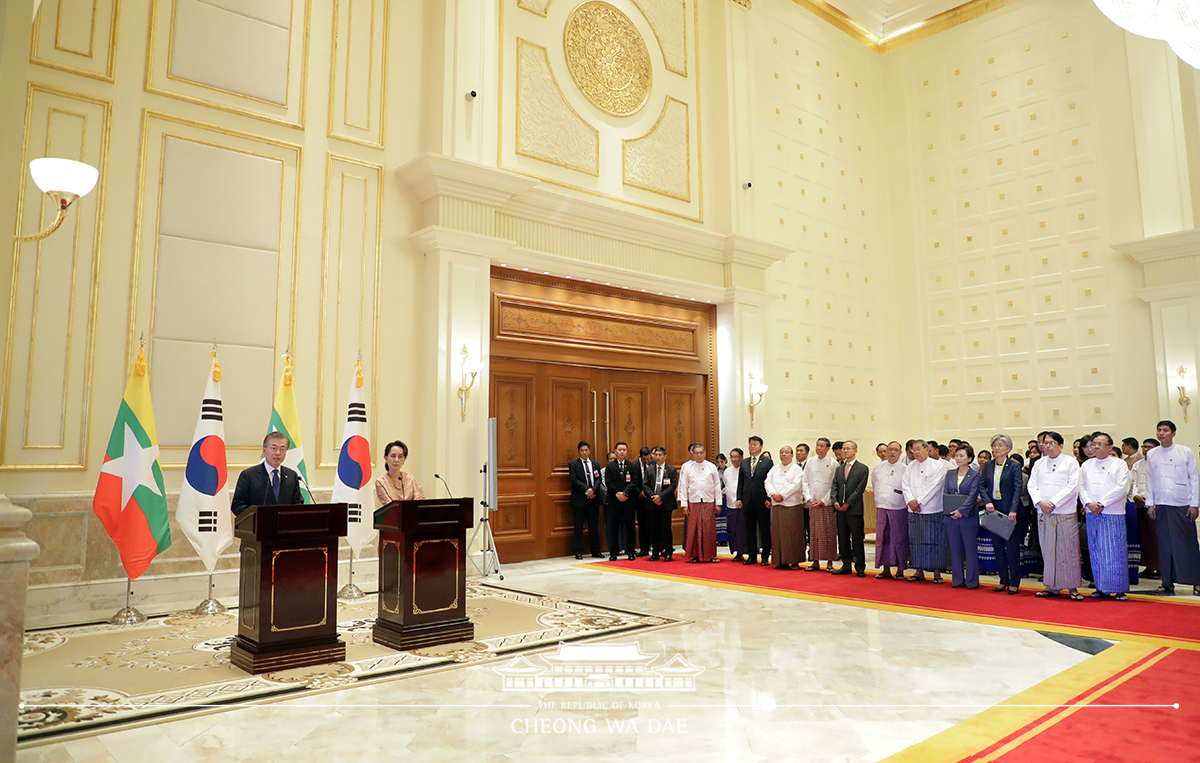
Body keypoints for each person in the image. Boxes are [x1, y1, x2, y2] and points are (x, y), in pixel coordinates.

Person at [1144, 420, 1200, 596]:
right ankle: (1167, 583)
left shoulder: (1185, 452)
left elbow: (1195, 478)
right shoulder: (1152, 454)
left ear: (1173, 433)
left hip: (1182, 503)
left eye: (1165, 430)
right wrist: (1150, 503)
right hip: (1161, 504)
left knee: (1188, 544)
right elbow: (1149, 479)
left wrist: (1194, 504)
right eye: (1159, 430)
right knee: (1165, 545)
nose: (1161, 433)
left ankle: (1196, 582)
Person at [1028, 431, 1084, 601]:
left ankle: (1072, 587)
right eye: (1045, 443)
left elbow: (1073, 486)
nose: (1048, 446)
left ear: (1061, 445)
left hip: (1064, 511)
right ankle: (1051, 586)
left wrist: (1053, 503)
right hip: (1043, 512)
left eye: (1052, 443)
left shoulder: (1071, 463)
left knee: (1068, 550)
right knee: (1048, 549)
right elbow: (1032, 485)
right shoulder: (1038, 463)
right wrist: (1040, 502)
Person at [1080, 433, 1131, 601]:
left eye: (1100, 444)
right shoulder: (1087, 465)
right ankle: (1101, 587)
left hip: (1112, 512)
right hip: (1092, 512)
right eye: (1093, 444)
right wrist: (1089, 503)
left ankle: (1118, 589)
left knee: (1114, 551)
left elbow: (1121, 488)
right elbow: (1080, 488)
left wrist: (1101, 504)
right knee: (1096, 550)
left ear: (1110, 447)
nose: (1095, 447)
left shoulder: (1119, 464)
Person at [982, 434, 1025, 594]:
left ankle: (1014, 581)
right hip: (993, 508)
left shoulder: (1014, 466)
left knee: (1012, 547)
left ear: (1008, 449)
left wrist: (1013, 510)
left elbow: (1017, 489)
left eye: (1000, 445)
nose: (996, 448)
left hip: (1010, 509)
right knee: (997, 546)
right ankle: (1003, 579)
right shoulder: (988, 465)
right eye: (994, 445)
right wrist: (987, 501)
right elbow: (981, 485)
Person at [902, 439, 950, 583]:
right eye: (913, 450)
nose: (915, 453)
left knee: (935, 540)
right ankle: (919, 571)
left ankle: (936, 573)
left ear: (926, 450)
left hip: (932, 509)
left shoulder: (937, 466)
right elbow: (905, 485)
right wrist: (911, 501)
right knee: (916, 541)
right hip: (914, 510)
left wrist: (920, 502)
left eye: (918, 450)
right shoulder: (910, 466)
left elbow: (935, 487)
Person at [232, 432, 305, 515]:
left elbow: (298, 505)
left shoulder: (292, 476)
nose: (278, 453)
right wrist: (257, 517)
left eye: (282, 449)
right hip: (258, 526)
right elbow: (237, 505)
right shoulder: (249, 475)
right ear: (264, 450)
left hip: (284, 526)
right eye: (274, 448)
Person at [943, 442, 982, 589]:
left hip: (968, 517)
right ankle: (957, 579)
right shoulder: (950, 473)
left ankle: (972, 581)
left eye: (962, 456)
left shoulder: (975, 475)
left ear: (970, 458)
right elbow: (946, 493)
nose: (958, 458)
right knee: (954, 549)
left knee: (970, 549)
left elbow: (972, 496)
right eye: (957, 455)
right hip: (951, 517)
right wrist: (952, 511)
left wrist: (961, 511)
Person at [831, 440, 870, 577]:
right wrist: (835, 501)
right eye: (844, 449)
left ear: (855, 450)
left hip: (854, 509)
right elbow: (834, 486)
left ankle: (860, 566)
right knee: (842, 537)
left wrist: (848, 503)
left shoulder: (862, 468)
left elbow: (859, 489)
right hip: (840, 510)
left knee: (857, 539)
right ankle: (846, 564)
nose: (845, 451)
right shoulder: (839, 468)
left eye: (848, 448)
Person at [678, 443, 722, 563]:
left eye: (701, 453)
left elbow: (717, 486)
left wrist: (718, 503)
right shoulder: (687, 468)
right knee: (694, 529)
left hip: (708, 501)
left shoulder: (711, 467)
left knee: (709, 529)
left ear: (705, 453)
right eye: (696, 453)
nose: (698, 455)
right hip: (694, 501)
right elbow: (684, 486)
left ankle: (711, 555)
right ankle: (695, 555)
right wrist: (684, 505)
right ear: (692, 454)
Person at [765, 445, 807, 569]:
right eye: (782, 452)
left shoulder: (796, 469)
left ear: (792, 455)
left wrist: (782, 495)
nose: (784, 454)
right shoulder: (774, 468)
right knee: (778, 534)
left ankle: (794, 560)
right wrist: (773, 494)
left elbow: (796, 485)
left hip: (791, 505)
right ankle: (780, 560)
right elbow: (767, 482)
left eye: (787, 452)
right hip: (777, 505)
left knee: (792, 534)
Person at [872, 442, 908, 580]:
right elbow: (875, 484)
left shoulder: (905, 469)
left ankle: (900, 569)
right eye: (890, 450)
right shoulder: (878, 467)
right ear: (885, 452)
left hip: (898, 508)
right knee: (883, 537)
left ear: (900, 453)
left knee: (899, 538)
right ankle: (885, 568)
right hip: (882, 506)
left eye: (896, 450)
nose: (892, 453)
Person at [803, 438, 838, 572]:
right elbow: (805, 481)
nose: (819, 448)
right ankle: (815, 561)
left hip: (826, 504)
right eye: (817, 445)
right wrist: (809, 498)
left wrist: (824, 500)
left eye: (822, 446)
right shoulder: (810, 462)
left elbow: (834, 485)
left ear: (828, 448)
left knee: (828, 533)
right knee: (814, 533)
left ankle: (829, 563)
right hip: (813, 503)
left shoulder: (833, 463)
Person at [737, 436, 773, 566]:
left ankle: (765, 556)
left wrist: (769, 498)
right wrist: (739, 498)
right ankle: (751, 556)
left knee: (764, 529)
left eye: (755, 444)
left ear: (761, 446)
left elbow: (770, 481)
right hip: (747, 500)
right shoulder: (744, 462)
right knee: (750, 529)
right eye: (750, 444)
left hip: (762, 500)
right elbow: (741, 481)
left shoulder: (767, 462)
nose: (752, 447)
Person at [604, 442, 642, 561]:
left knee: (630, 526)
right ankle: (614, 552)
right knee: (613, 527)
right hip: (614, 501)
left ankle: (630, 551)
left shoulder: (632, 466)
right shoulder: (610, 466)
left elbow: (634, 482)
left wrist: (625, 493)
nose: (622, 452)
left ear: (626, 451)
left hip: (628, 500)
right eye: (619, 450)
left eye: (624, 450)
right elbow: (608, 482)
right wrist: (618, 494)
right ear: (615, 451)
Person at [568, 441, 604, 560]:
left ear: (589, 451)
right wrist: (587, 490)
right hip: (580, 499)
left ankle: (596, 550)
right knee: (578, 526)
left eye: (586, 450)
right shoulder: (574, 464)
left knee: (593, 526)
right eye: (582, 450)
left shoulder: (595, 464)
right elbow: (574, 479)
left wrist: (593, 490)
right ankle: (578, 551)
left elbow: (598, 479)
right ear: (579, 452)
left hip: (593, 499)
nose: (584, 452)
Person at [644, 447, 678, 561]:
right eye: (656, 455)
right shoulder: (649, 470)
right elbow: (645, 485)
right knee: (654, 528)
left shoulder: (671, 469)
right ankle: (655, 552)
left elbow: (673, 486)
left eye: (660, 455)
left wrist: (661, 497)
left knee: (666, 528)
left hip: (666, 502)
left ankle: (668, 552)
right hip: (652, 503)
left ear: (665, 456)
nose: (657, 457)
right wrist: (654, 496)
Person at [1132, 438, 1158, 579]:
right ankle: (1149, 567)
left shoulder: (1160, 464)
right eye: (1144, 446)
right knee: (1145, 538)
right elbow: (1133, 482)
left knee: (1155, 537)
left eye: (1149, 447)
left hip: (1155, 506)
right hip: (1140, 505)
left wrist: (1151, 500)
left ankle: (1159, 567)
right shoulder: (1138, 465)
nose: (1146, 449)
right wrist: (1136, 495)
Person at [374, 439, 426, 506]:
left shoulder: (410, 478)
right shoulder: (381, 482)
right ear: (386, 458)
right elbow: (390, 507)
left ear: (404, 460)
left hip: (412, 514)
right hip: (393, 515)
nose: (396, 460)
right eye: (393, 456)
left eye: (400, 456)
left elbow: (418, 500)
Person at [724, 448, 749, 562]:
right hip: (730, 505)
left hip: (742, 505)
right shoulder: (727, 471)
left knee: (741, 530)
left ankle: (743, 552)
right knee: (731, 529)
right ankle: (736, 552)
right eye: (732, 457)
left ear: (741, 458)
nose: (734, 459)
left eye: (736, 456)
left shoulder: (745, 470)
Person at [635, 446, 654, 557]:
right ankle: (644, 548)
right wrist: (639, 492)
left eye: (648, 459)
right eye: (644, 459)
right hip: (640, 499)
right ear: (640, 456)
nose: (647, 461)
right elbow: (633, 481)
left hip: (651, 498)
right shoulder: (634, 465)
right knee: (642, 524)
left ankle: (656, 545)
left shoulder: (652, 464)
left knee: (653, 523)